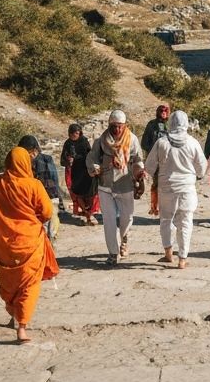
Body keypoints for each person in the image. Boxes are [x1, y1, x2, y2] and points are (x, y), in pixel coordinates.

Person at [0, 146, 60, 344]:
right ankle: (22, 327)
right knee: (29, 285)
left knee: (9, 283)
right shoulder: (33, 185)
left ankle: (12, 311)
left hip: (2, 243)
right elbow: (47, 212)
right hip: (29, 243)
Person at [145, 110, 207, 269]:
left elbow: (150, 166)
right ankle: (182, 259)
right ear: (186, 123)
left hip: (167, 188)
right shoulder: (193, 142)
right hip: (187, 188)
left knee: (166, 220)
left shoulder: (162, 142)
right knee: (186, 223)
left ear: (170, 123)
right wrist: (198, 175)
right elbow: (202, 167)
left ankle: (168, 253)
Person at [87, 109, 145, 265]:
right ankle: (113, 253)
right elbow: (91, 157)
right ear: (109, 125)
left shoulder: (132, 140)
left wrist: (139, 173)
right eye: (114, 126)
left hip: (125, 185)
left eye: (120, 126)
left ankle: (124, 239)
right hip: (105, 185)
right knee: (109, 220)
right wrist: (94, 167)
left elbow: (138, 159)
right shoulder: (101, 141)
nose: (117, 130)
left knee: (127, 218)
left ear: (125, 125)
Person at [19, 135, 60, 242]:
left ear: (35, 150)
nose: (28, 155)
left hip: (48, 197)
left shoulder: (46, 160)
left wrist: (55, 198)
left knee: (50, 231)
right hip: (31, 202)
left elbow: (53, 180)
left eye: (29, 152)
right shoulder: (23, 163)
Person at [60, 123, 99, 225]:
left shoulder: (84, 142)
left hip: (85, 172)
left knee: (90, 193)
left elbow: (89, 156)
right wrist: (68, 161)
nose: (74, 136)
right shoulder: (67, 144)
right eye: (72, 133)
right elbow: (62, 160)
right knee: (77, 194)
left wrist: (77, 159)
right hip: (75, 173)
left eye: (76, 133)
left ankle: (89, 214)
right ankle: (86, 214)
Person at [141, 103, 171, 216]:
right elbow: (144, 142)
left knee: (168, 184)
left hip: (169, 160)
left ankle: (167, 207)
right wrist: (153, 153)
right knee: (156, 184)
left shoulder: (172, 125)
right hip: (156, 160)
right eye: (161, 110)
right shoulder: (151, 125)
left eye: (165, 111)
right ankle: (155, 207)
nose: (163, 113)